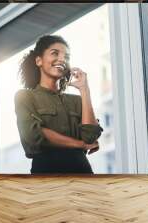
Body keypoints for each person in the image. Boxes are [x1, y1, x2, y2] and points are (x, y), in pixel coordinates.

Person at [14, 35, 103, 174]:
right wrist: (80, 144)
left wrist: (84, 89)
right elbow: (33, 136)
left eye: (66, 57)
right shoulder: (25, 96)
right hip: (46, 174)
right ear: (39, 60)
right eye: (55, 53)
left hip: (82, 173)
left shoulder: (77, 101)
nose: (62, 59)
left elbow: (90, 137)